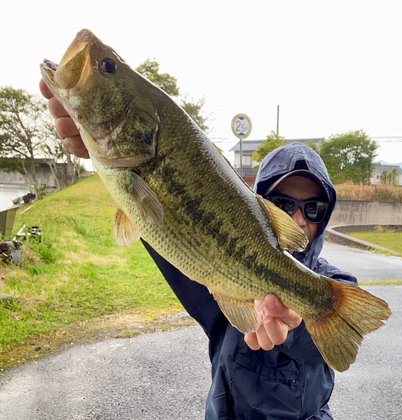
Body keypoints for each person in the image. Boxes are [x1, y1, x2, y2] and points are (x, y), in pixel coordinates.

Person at [40, 79, 358, 419]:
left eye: (313, 209)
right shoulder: (216, 277)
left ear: (326, 217)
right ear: (262, 207)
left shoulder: (335, 285)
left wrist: (293, 323)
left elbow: (327, 348)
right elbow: (171, 235)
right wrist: (104, 146)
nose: (297, 218)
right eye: (282, 204)